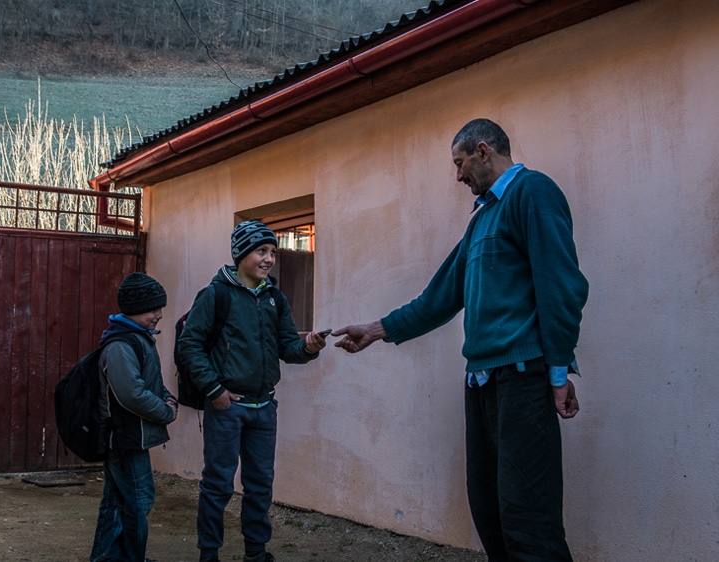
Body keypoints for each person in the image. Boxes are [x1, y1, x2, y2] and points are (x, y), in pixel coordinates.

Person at [334, 118, 588, 562]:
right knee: (489, 511)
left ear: (484, 150)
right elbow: (441, 296)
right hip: (482, 383)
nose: (457, 176)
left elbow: (561, 286)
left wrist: (559, 369)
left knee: (529, 518)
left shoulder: (534, 193)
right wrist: (376, 330)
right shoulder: (482, 217)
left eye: (460, 163)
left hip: (524, 378)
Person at [178, 220, 328, 562]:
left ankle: (256, 552)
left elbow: (288, 348)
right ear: (241, 253)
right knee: (217, 484)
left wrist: (308, 346)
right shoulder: (215, 295)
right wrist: (215, 390)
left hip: (264, 409)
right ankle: (209, 554)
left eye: (273, 252)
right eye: (261, 251)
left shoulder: (275, 298)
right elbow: (190, 345)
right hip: (227, 407)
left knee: (260, 485)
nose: (269, 259)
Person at [90, 272, 178, 562]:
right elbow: (131, 394)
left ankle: (108, 557)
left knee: (117, 500)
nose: (159, 315)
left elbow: (148, 382)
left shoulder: (136, 339)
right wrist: (166, 411)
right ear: (137, 308)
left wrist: (167, 395)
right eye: (154, 309)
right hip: (126, 438)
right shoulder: (121, 345)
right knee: (139, 500)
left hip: (130, 436)